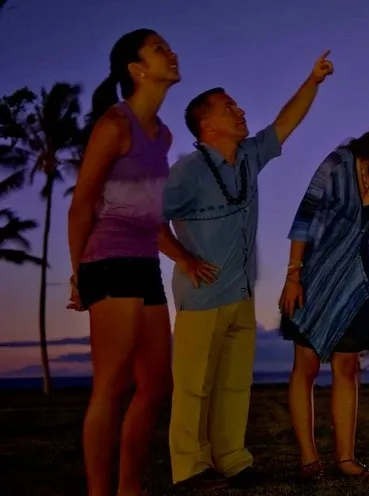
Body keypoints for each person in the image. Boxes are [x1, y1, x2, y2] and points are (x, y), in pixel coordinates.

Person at [157, 50, 335, 490]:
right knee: (194, 386)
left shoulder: (250, 156)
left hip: (240, 291)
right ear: (207, 125)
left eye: (237, 105)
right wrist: (182, 257)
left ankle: (232, 459)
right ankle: (189, 468)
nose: (240, 111)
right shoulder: (188, 172)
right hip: (202, 295)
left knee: (235, 384)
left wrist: (312, 80)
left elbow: (284, 124)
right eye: (229, 107)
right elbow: (145, 217)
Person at [66, 28, 180, 496]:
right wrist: (80, 275)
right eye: (159, 49)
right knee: (110, 386)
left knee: (156, 386)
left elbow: (152, 214)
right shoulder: (114, 125)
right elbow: (81, 204)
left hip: (144, 261)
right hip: (108, 259)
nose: (171, 53)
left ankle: (129, 487)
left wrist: (183, 257)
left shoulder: (163, 134)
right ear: (137, 70)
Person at [278, 122, 369, 481]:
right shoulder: (336, 165)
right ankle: (309, 458)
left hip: (354, 280)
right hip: (314, 274)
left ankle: (345, 459)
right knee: (307, 368)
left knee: (347, 368)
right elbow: (304, 219)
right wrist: (293, 275)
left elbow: (363, 221)